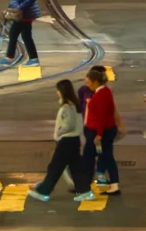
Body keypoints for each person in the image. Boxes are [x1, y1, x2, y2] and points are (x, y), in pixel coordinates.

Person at [29, 80, 93, 203]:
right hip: (74, 140)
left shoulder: (67, 106)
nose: (56, 92)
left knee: (55, 167)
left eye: (58, 90)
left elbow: (69, 125)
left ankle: (43, 191)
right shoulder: (74, 105)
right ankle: (85, 192)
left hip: (67, 141)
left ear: (63, 91)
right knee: (76, 167)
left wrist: (59, 132)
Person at [81, 66, 122, 196]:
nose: (88, 86)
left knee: (89, 158)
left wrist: (98, 134)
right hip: (106, 130)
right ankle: (114, 184)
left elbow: (102, 116)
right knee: (107, 156)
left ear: (95, 82)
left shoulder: (100, 95)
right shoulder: (105, 91)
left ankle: (84, 186)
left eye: (89, 83)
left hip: (99, 132)